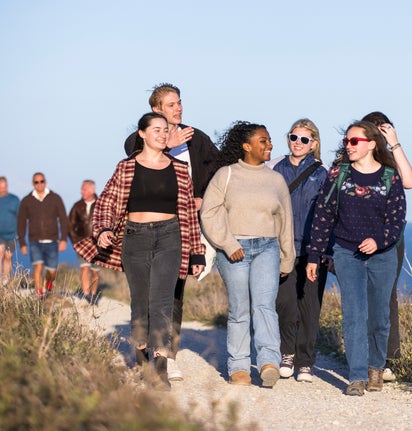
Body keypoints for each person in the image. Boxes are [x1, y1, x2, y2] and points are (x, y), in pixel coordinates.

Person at [76, 112, 205, 391]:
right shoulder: (126, 167)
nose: (162, 133)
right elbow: (106, 203)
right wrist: (103, 230)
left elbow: (188, 215)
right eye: (156, 129)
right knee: (141, 301)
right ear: (143, 134)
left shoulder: (180, 170)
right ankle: (141, 352)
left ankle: (159, 367)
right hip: (135, 238)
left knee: (162, 301)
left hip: (171, 237)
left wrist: (197, 252)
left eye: (165, 129)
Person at [124, 82, 220, 381]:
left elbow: (218, 166)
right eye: (171, 104)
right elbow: (131, 158)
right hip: (141, 228)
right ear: (156, 110)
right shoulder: (138, 138)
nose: (178, 108)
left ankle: (168, 355)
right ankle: (142, 353)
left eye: (179, 103)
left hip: (180, 225)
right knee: (143, 296)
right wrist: (167, 142)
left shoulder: (196, 137)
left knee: (173, 293)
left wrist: (203, 193)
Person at [306, 120, 406, 396]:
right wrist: (315, 255)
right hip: (347, 253)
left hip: (383, 256)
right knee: (353, 314)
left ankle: (376, 368)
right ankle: (357, 376)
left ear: (371, 144)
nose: (348, 146)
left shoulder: (389, 177)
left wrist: (379, 240)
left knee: (379, 315)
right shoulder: (339, 174)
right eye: (346, 142)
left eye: (354, 141)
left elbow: (397, 220)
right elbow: (323, 216)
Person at [200, 121, 295, 388]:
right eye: (263, 141)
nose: (270, 145)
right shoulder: (226, 175)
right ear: (246, 146)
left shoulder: (276, 179)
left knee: (265, 307)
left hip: (268, 248)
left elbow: (285, 221)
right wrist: (228, 244)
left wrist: (287, 257)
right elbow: (209, 212)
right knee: (240, 310)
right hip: (234, 251)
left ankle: (268, 363)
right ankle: (239, 367)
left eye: (269, 140)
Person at [267, 119, 330, 383]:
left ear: (314, 143)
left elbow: (328, 212)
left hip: (313, 248)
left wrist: (326, 249)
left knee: (310, 306)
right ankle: (287, 353)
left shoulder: (322, 172)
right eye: (293, 137)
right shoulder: (275, 168)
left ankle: (305, 361)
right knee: (285, 304)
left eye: (304, 139)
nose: (297, 143)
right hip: (282, 246)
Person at [361, 111, 412, 383]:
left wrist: (395, 143)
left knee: (387, 296)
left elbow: (409, 181)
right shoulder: (352, 157)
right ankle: (366, 359)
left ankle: (387, 360)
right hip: (357, 236)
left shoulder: (391, 162)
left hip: (390, 236)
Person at [17, 172, 69, 299]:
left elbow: (63, 219)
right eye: (36, 182)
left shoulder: (55, 198)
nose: (39, 184)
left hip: (52, 241)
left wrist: (63, 239)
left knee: (52, 272)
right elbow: (21, 222)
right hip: (35, 241)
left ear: (45, 182)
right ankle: (40, 295)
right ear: (32, 183)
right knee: (38, 267)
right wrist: (22, 243)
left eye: (41, 181)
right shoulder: (26, 200)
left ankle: (49, 285)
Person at [68, 179, 100, 304]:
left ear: (92, 190)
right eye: (82, 189)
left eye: (84, 189)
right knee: (84, 269)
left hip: (98, 244)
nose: (82, 192)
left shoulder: (101, 204)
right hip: (82, 243)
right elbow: (70, 225)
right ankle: (86, 295)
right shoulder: (77, 206)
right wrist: (75, 241)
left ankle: (93, 294)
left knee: (95, 271)